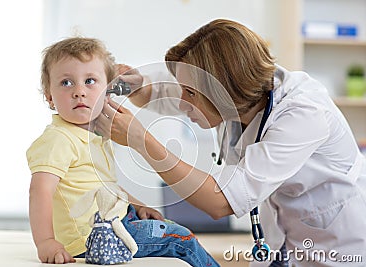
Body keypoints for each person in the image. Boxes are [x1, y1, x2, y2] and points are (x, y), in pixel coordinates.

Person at [97, 19, 366, 267]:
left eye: (190, 92)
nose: (182, 102)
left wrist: (140, 140)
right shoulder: (239, 98)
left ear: (226, 89)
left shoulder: (304, 114)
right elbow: (161, 93)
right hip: (283, 245)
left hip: (339, 249)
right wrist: (138, 87)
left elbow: (220, 203)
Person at [26, 37, 220, 267]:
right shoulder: (58, 139)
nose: (79, 91)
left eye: (90, 81)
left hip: (116, 219)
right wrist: (46, 241)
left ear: (107, 93)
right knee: (183, 239)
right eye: (66, 83)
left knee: (170, 229)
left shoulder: (94, 136)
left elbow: (105, 186)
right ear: (49, 97)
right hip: (93, 235)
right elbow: (39, 192)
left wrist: (137, 205)